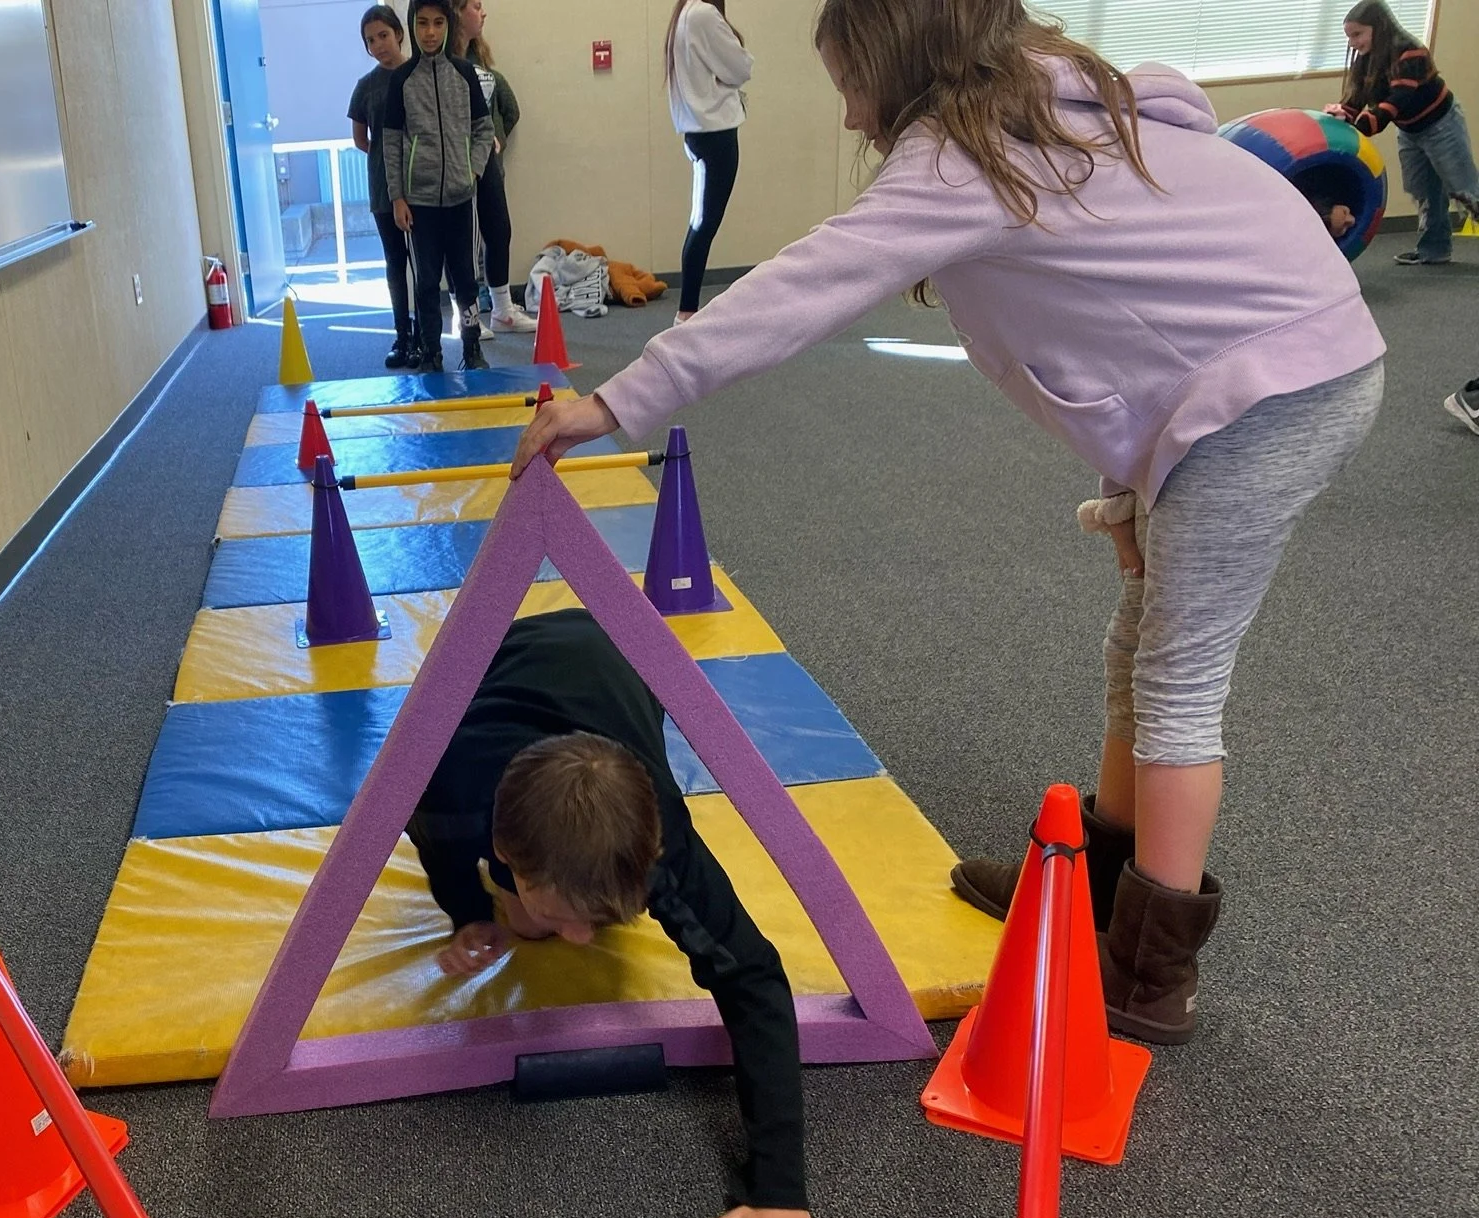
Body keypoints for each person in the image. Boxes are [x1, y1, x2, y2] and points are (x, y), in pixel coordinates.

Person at [512, 0, 1387, 1047]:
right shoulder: (1050, 107)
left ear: (895, 62)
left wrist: (615, 402)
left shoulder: (958, 157)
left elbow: (797, 288)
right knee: (1141, 641)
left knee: (1178, 679)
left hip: (1271, 389)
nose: (845, 116)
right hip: (1258, 370)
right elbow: (1137, 322)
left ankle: (1150, 973)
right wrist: (1134, 490)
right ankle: (1089, 883)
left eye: (845, 83)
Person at [406, 609, 858, 1218]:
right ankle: (524, 906)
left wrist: (780, 1192)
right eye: (569, 915)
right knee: (524, 925)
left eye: (601, 919)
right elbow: (437, 845)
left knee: (544, 921)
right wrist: (467, 910)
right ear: (509, 856)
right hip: (503, 650)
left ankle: (554, 902)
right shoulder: (447, 786)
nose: (580, 941)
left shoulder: (660, 843)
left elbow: (754, 979)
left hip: (622, 651)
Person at [383, 0, 495, 371]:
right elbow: (392, 143)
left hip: (462, 200)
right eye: (422, 24)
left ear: (448, 26)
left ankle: (472, 346)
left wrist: (472, 171)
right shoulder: (401, 80)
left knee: (466, 279)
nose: (430, 32)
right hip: (420, 204)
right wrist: (397, 196)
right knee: (427, 281)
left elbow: (484, 130)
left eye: (437, 23)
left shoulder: (465, 74)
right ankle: (431, 351)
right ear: (412, 27)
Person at [1327, 0, 1479, 266]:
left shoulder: (1410, 51)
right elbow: (1356, 99)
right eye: (1349, 36)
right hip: (1410, 130)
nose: (1352, 42)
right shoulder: (1366, 59)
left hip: (1441, 125)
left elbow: (1399, 99)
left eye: (1357, 34)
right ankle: (1435, 249)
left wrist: (1363, 125)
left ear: (1379, 28)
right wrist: (1343, 116)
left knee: (1464, 188)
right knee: (1423, 189)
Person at [450, 0, 536, 337]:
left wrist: (494, 137)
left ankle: (502, 310)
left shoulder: (484, 67)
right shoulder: (445, 66)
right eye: (475, 6)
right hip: (455, 164)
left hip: (487, 164)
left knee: (498, 230)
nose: (482, 13)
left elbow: (507, 112)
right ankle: (463, 315)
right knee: (459, 239)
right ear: (457, 12)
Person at [664, 0, 753, 321]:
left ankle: (686, 312)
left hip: (704, 134)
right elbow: (742, 69)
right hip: (714, 135)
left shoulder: (688, 13)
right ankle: (685, 313)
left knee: (703, 223)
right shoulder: (703, 14)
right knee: (702, 224)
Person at [349, 7, 413, 368]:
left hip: (422, 182)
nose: (378, 45)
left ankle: (426, 333)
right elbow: (361, 139)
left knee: (424, 262)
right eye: (370, 41)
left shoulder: (417, 73)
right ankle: (402, 334)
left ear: (399, 34)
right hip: (382, 187)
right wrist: (388, 160)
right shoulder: (365, 86)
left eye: (383, 36)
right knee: (395, 261)